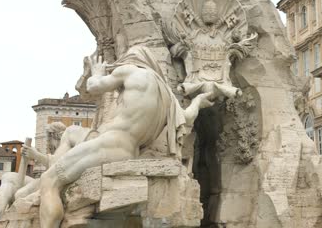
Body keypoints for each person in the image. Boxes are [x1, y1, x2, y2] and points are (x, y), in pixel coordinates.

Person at [38, 45, 214, 228]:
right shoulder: (167, 96)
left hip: (109, 143)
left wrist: (97, 72)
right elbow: (187, 117)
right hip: (129, 151)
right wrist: (198, 102)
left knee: (49, 180)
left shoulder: (130, 70)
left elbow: (93, 86)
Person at [0, 123, 90, 221]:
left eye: (49, 139)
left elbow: (58, 165)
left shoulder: (67, 145)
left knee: (20, 194)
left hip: (53, 181)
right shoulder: (59, 148)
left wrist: (36, 155)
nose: (48, 143)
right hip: (43, 178)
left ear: (55, 136)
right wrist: (28, 154)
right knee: (8, 176)